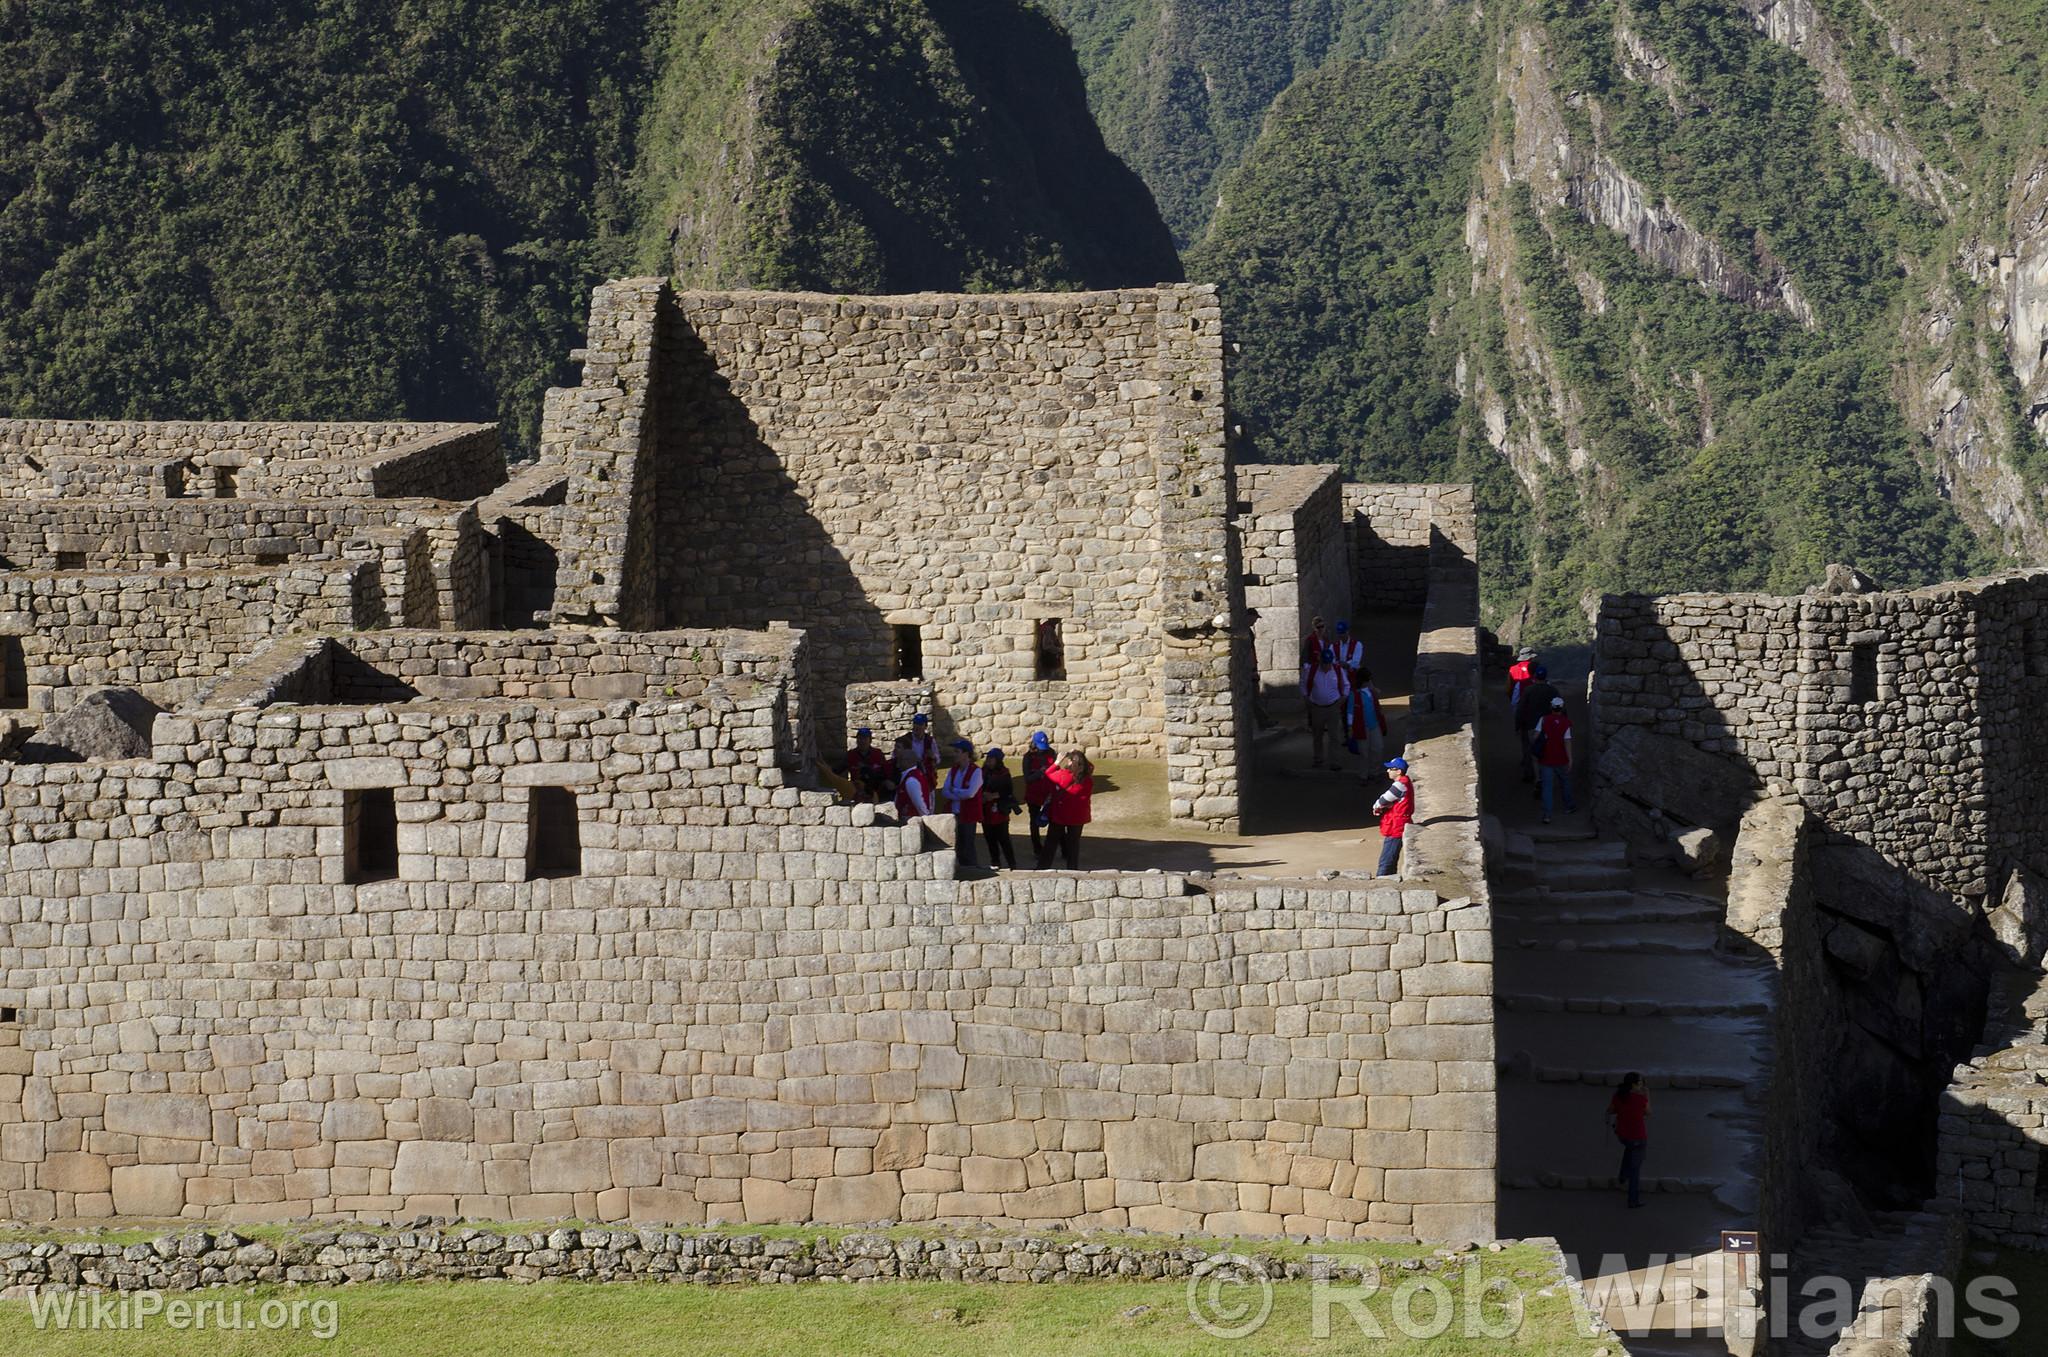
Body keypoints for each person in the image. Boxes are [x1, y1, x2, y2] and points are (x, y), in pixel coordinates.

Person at [1036, 749, 1094, 870]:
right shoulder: (1087, 779)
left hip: (1059, 815)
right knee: (1073, 845)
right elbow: (1090, 766)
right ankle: (1072, 869)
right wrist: (1078, 754)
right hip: (1078, 817)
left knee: (1051, 844)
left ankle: (1042, 867)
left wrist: (1057, 761)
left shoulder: (1062, 776)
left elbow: (1048, 774)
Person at [1301, 646, 1352, 769]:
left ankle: (1335, 762)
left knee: (1334, 736)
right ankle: (1318, 759)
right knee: (1317, 735)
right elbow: (1302, 683)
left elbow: (1346, 685)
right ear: (1320, 661)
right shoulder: (1311, 670)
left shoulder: (1337, 670)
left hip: (1333, 706)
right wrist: (1306, 698)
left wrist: (1343, 698)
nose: (1326, 666)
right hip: (1316, 707)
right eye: (1324, 663)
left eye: (1328, 663)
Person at [939, 740, 984, 870]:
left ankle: (971, 868)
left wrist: (955, 791)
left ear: (966, 754)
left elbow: (970, 793)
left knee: (967, 843)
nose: (954, 755)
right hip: (954, 812)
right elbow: (945, 791)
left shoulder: (976, 771)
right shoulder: (953, 770)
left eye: (957, 752)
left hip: (968, 813)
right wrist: (958, 793)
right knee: (955, 843)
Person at [1608, 1072, 1650, 1209]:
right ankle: (1633, 1200)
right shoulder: (1640, 1099)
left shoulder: (1619, 1096)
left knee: (1629, 1149)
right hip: (1638, 1137)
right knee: (1635, 1170)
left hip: (1623, 1135)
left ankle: (1622, 1175)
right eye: (1640, 1083)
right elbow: (1648, 1112)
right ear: (1634, 1084)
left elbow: (1611, 1110)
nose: (1642, 1085)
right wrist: (1647, 1096)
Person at [1515, 664, 1560, 784]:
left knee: (1530, 751)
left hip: (1531, 726)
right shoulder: (1553, 690)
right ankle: (1546, 776)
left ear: (1535, 676)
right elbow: (1560, 707)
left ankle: (1532, 776)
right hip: (1549, 727)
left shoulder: (1528, 690)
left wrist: (1518, 724)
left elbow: (1521, 709)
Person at [1536, 696, 1577, 824]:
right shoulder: (1566, 723)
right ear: (1562, 708)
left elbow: (1536, 736)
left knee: (1547, 786)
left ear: (1551, 707)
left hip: (1546, 758)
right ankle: (1569, 806)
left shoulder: (1543, 720)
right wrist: (1570, 758)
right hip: (1561, 758)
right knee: (1565, 782)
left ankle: (1547, 814)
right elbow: (1567, 741)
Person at [1372, 757, 1414, 877]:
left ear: (1399, 771)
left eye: (1391, 769)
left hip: (1396, 827)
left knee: (1386, 861)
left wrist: (1377, 807)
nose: (1388, 771)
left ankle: (1381, 882)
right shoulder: (1405, 782)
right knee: (1391, 859)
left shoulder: (1400, 784)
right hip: (1398, 824)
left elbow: (1383, 800)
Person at [1332, 621, 1367, 754]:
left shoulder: (1357, 645)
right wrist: (1344, 664)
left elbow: (1355, 663)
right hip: (1340, 682)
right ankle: (1348, 736)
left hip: (1353, 682)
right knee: (1344, 710)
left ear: (1348, 632)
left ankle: (1357, 735)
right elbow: (1332, 662)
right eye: (1339, 634)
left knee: (1355, 708)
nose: (1341, 636)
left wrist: (1343, 664)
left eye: (1343, 633)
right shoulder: (1334, 647)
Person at [980, 748, 1018, 870]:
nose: (988, 761)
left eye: (991, 759)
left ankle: (1012, 863)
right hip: (986, 810)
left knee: (1003, 839)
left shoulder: (1004, 773)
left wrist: (994, 795)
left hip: (999, 811)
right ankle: (995, 862)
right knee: (990, 839)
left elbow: (1008, 791)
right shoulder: (983, 772)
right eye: (988, 759)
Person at [1021, 731, 1057, 859]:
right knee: (1034, 822)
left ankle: (1055, 848)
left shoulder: (1051, 753)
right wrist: (1041, 773)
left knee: (1055, 821)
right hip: (1034, 794)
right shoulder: (1028, 757)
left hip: (1049, 794)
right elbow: (1027, 779)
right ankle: (1037, 849)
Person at [1349, 665, 1388, 759]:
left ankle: (1375, 771)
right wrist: (1350, 727)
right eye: (1368, 680)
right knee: (1363, 752)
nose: (1370, 682)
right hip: (1362, 726)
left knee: (1378, 748)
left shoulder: (1372, 692)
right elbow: (1350, 712)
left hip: (1374, 724)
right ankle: (1364, 773)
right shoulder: (1354, 694)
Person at [845, 727, 892, 802]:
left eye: (865, 739)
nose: (862, 741)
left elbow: (886, 772)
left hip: (877, 791)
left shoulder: (878, 754)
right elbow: (838, 770)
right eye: (860, 738)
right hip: (857, 793)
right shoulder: (851, 755)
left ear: (870, 740)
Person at [895, 756, 936, 821]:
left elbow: (919, 803)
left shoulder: (911, 780)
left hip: (913, 819)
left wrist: (925, 818)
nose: (897, 763)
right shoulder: (914, 774)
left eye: (900, 760)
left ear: (907, 761)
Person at [1507, 646, 1537, 716]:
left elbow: (1508, 686)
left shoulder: (1512, 669)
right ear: (1531, 657)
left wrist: (1510, 697)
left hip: (1517, 699)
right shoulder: (1535, 667)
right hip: (1532, 699)